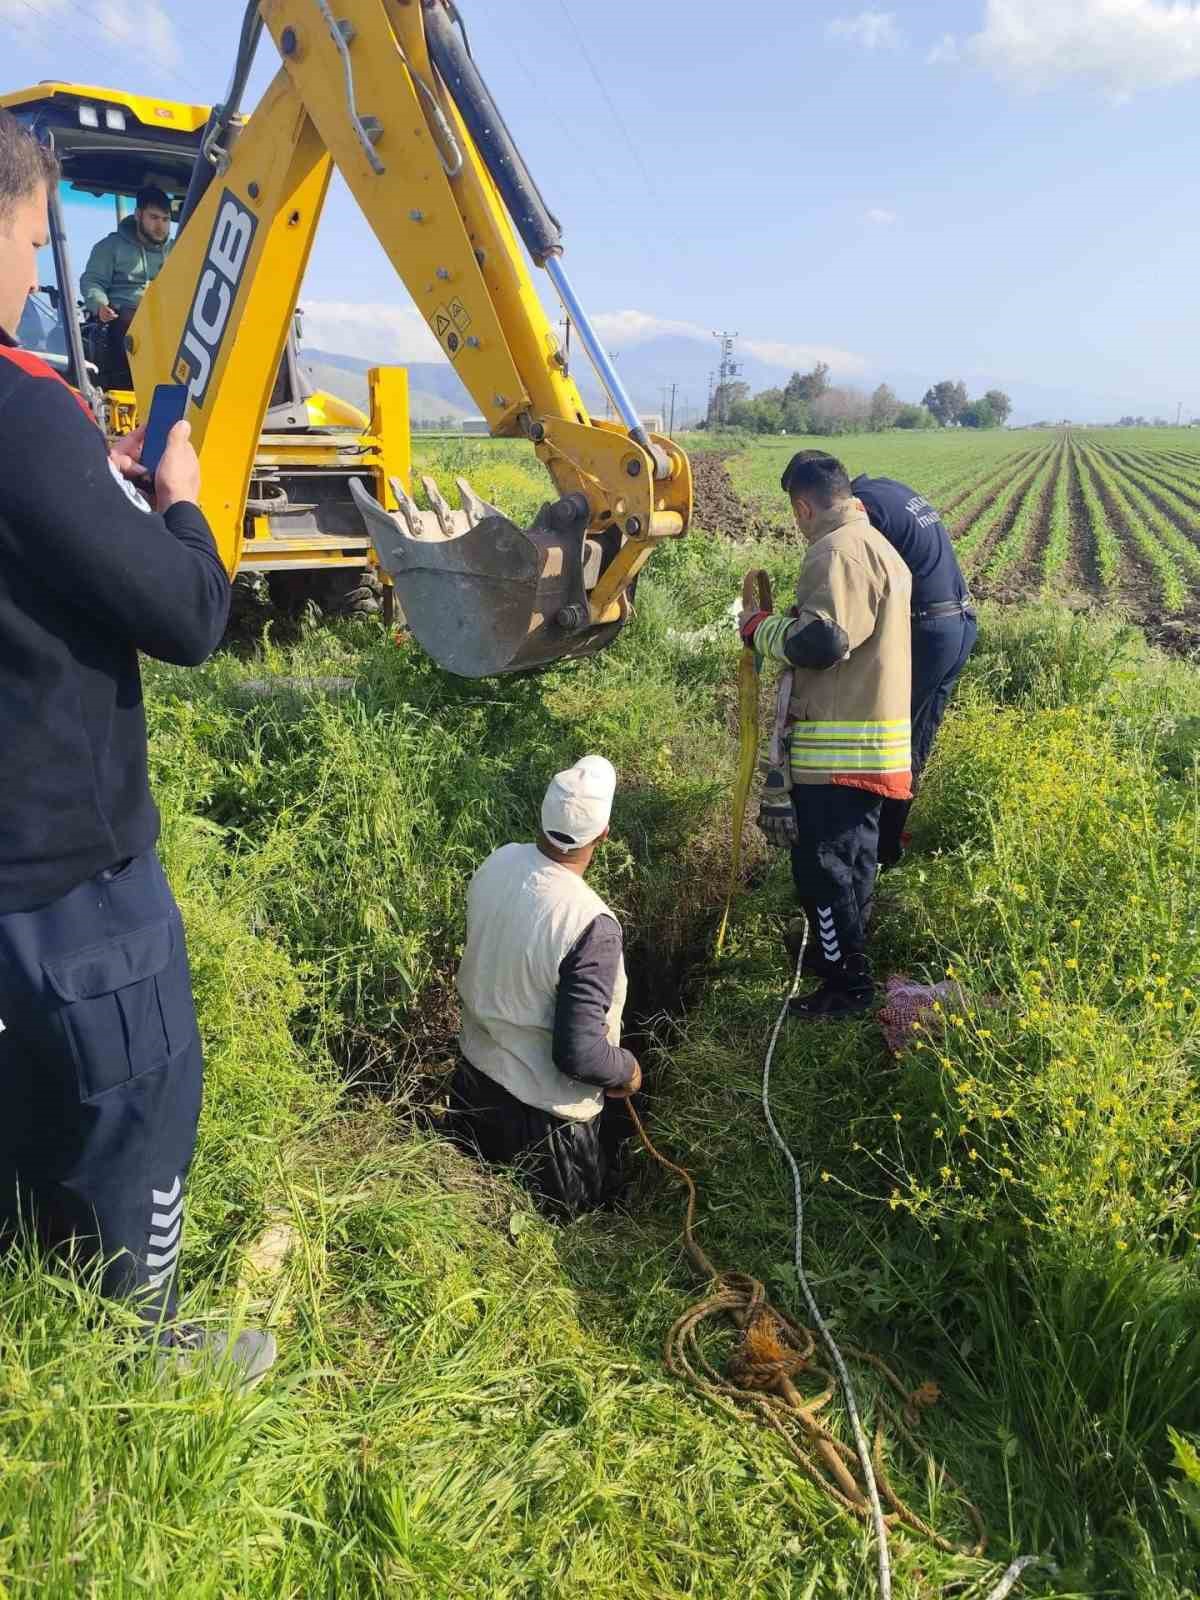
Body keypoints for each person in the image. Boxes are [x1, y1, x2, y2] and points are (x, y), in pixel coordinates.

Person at [0, 111, 273, 1383]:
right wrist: (175, 502)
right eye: (29, 230)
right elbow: (187, 616)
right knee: (137, 1097)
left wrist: (76, 483)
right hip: (72, 870)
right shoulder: (21, 408)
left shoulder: (41, 429)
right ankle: (144, 1352)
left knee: (27, 1098)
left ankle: (40, 1290)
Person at [739, 454, 912, 1019]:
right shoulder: (878, 545)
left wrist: (760, 629)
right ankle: (844, 963)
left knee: (823, 870)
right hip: (871, 746)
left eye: (796, 515)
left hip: (835, 753)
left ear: (804, 505)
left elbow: (822, 643)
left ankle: (845, 989)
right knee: (854, 865)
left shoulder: (834, 551)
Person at [448, 755, 642, 1219]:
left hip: (472, 1089)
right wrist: (629, 1071)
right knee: (557, 1235)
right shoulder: (590, 923)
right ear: (603, 835)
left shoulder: (498, 863)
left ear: (542, 817)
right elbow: (579, 1054)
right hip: (544, 1130)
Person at [849, 467, 977, 866]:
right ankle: (889, 847)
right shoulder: (892, 489)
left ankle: (872, 847)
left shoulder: (863, 509)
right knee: (914, 741)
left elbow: (863, 581)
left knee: (888, 739)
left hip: (929, 629)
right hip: (958, 623)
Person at [80, 184, 173, 389]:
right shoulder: (112, 247)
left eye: (165, 220)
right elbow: (92, 280)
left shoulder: (177, 250)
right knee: (130, 321)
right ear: (138, 215)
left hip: (165, 320)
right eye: (154, 218)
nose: (161, 226)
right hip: (124, 319)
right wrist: (100, 305)